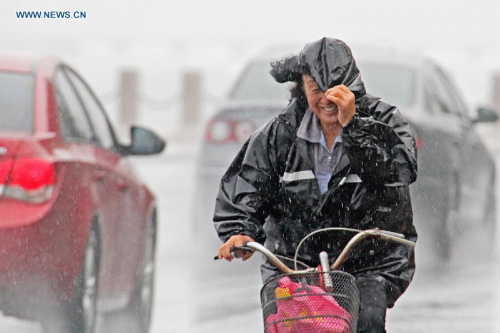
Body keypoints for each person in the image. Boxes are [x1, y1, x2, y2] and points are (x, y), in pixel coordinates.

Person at [214, 37, 418, 333]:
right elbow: (247, 184)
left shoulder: (383, 121)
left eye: (333, 89)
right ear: (302, 88)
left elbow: (396, 171)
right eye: (315, 89)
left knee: (366, 322)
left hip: (370, 263)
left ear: (351, 87)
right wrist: (240, 232)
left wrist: (355, 127)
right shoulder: (279, 133)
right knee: (286, 324)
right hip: (293, 263)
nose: (325, 99)